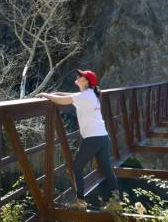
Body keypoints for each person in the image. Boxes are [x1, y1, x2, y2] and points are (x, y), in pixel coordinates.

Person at [38, 69, 119, 209]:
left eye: (80, 76)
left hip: (93, 138)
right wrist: (56, 93)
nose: (78, 76)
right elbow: (71, 96)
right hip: (103, 137)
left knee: (77, 166)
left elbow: (62, 102)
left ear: (86, 81)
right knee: (106, 169)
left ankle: (81, 201)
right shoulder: (89, 94)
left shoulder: (85, 96)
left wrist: (46, 95)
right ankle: (116, 201)